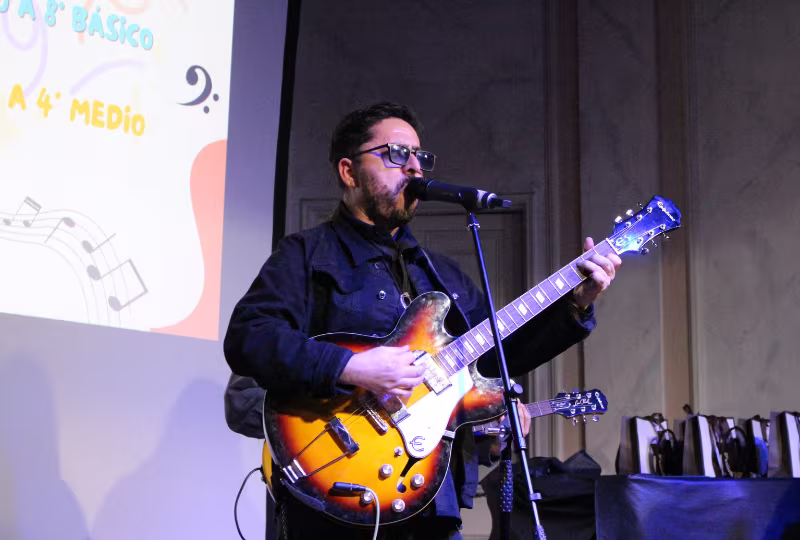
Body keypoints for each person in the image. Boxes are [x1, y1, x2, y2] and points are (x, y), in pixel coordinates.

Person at [223, 102, 621, 539]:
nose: (414, 167)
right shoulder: (305, 254)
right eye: (396, 154)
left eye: (419, 156)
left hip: (431, 499)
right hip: (335, 490)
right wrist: (351, 366)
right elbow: (248, 337)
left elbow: (497, 358)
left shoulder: (442, 275)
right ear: (349, 172)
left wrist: (575, 303)